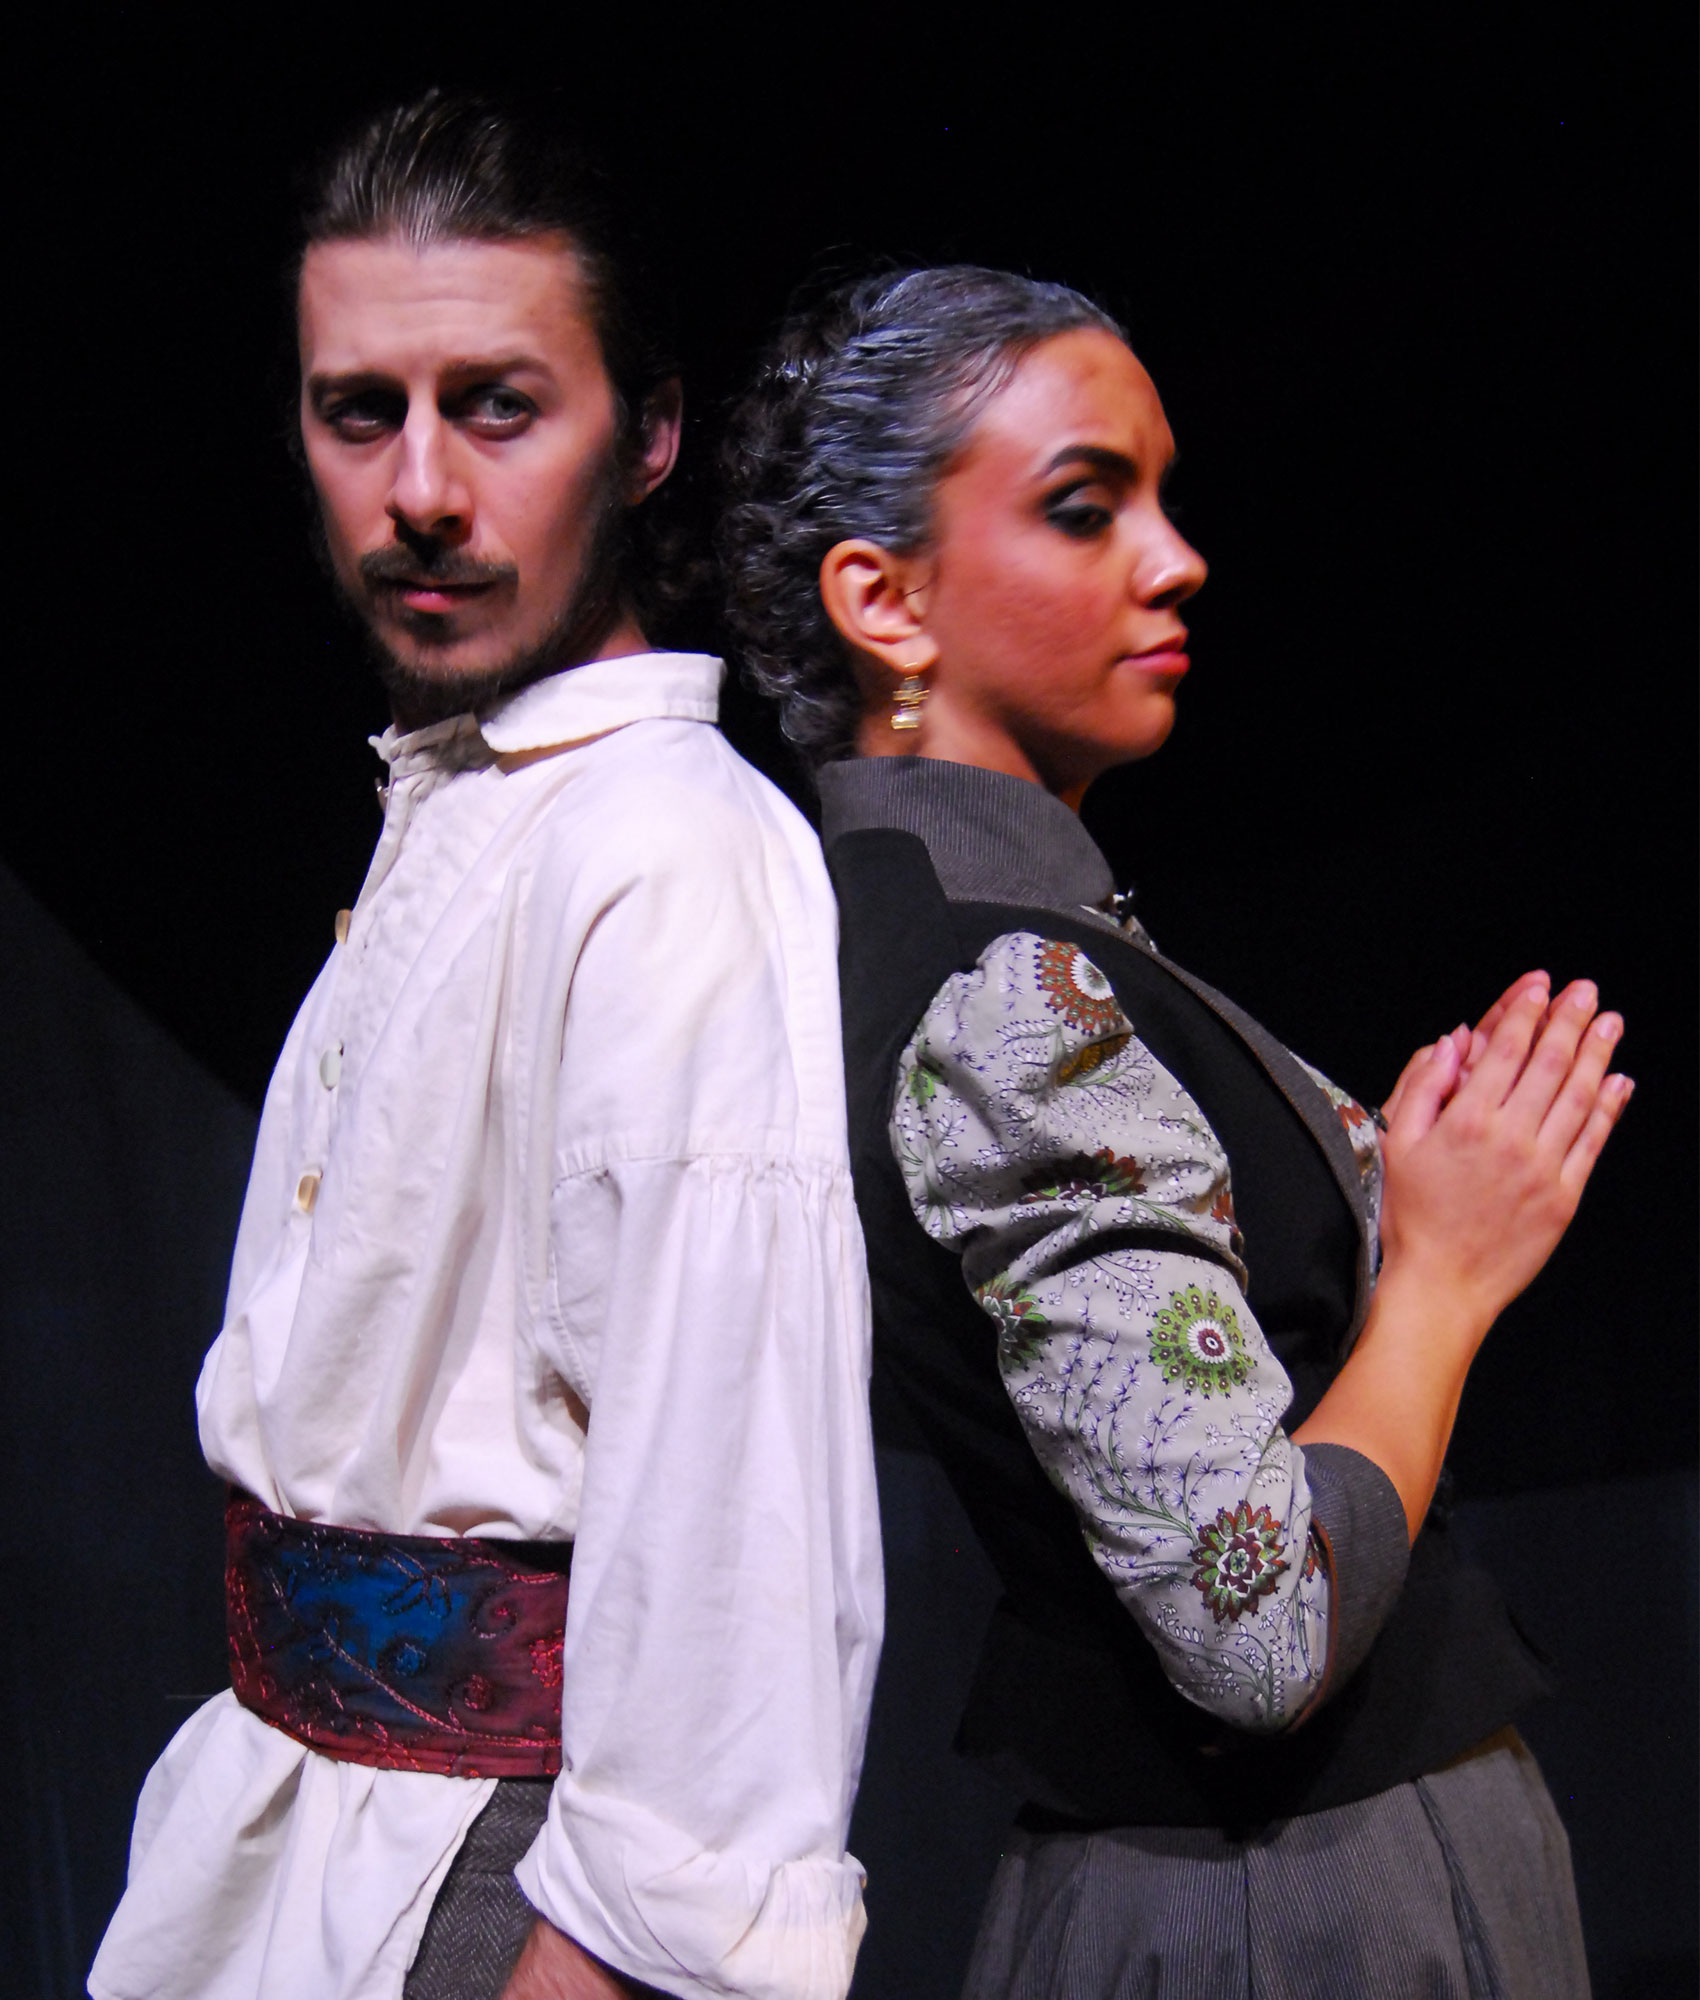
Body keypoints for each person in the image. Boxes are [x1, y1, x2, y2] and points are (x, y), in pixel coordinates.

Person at [720, 266, 1630, 1998]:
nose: (1176, 555)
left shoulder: (988, 929)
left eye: (1158, 494)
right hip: (1298, 1909)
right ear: (883, 602)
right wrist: (1444, 1271)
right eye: (1086, 506)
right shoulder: (998, 992)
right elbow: (1255, 1617)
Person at [89, 93, 881, 2000]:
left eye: (500, 407)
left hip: (494, 1886)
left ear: (653, 432)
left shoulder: (669, 853)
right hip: (297, 1831)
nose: (423, 488)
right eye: (363, 411)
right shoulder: (468, 806)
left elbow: (731, 1528)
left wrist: (592, 1965)